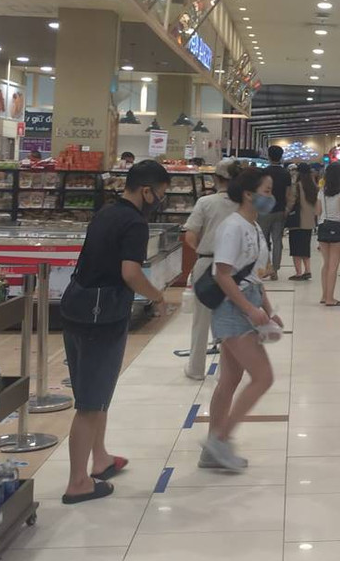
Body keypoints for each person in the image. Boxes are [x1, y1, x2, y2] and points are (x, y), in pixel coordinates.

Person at [58, 160, 170, 503]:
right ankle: (78, 482)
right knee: (90, 404)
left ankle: (101, 458)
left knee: (96, 394)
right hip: (102, 317)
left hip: (76, 308)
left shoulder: (106, 212)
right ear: (146, 190)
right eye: (160, 194)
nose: (160, 200)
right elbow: (130, 273)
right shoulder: (135, 223)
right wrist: (158, 296)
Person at [200, 168, 284, 471]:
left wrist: (268, 310)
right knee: (263, 377)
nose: (271, 197)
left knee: (230, 379)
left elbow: (253, 277)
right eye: (266, 191)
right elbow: (222, 274)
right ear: (248, 194)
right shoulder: (232, 227)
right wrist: (249, 310)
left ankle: (213, 450)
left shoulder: (254, 226)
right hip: (232, 309)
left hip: (246, 303)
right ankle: (220, 440)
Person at [181, 158, 240, 380]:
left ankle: (196, 369)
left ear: (216, 178)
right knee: (231, 319)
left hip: (206, 263)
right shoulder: (244, 203)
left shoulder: (205, 202)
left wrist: (203, 248)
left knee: (201, 320)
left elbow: (190, 235)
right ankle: (228, 371)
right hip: (235, 266)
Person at [317, 161, 340, 307]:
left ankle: (324, 296)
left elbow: (317, 211)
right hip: (336, 226)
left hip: (323, 226)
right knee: (333, 265)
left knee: (326, 263)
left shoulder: (322, 190)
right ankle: (330, 299)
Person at [259, 145, 292, 280]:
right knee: (277, 240)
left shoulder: (263, 172)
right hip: (280, 210)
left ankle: (267, 266)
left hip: (264, 211)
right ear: (281, 156)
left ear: (268, 156)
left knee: (263, 240)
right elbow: (288, 194)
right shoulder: (286, 173)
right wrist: (287, 208)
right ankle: (275, 270)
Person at [286, 165, 318, 281]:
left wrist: (286, 211)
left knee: (295, 248)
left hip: (297, 220)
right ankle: (308, 271)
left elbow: (291, 201)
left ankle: (299, 273)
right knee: (305, 247)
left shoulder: (297, 186)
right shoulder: (314, 186)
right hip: (309, 221)